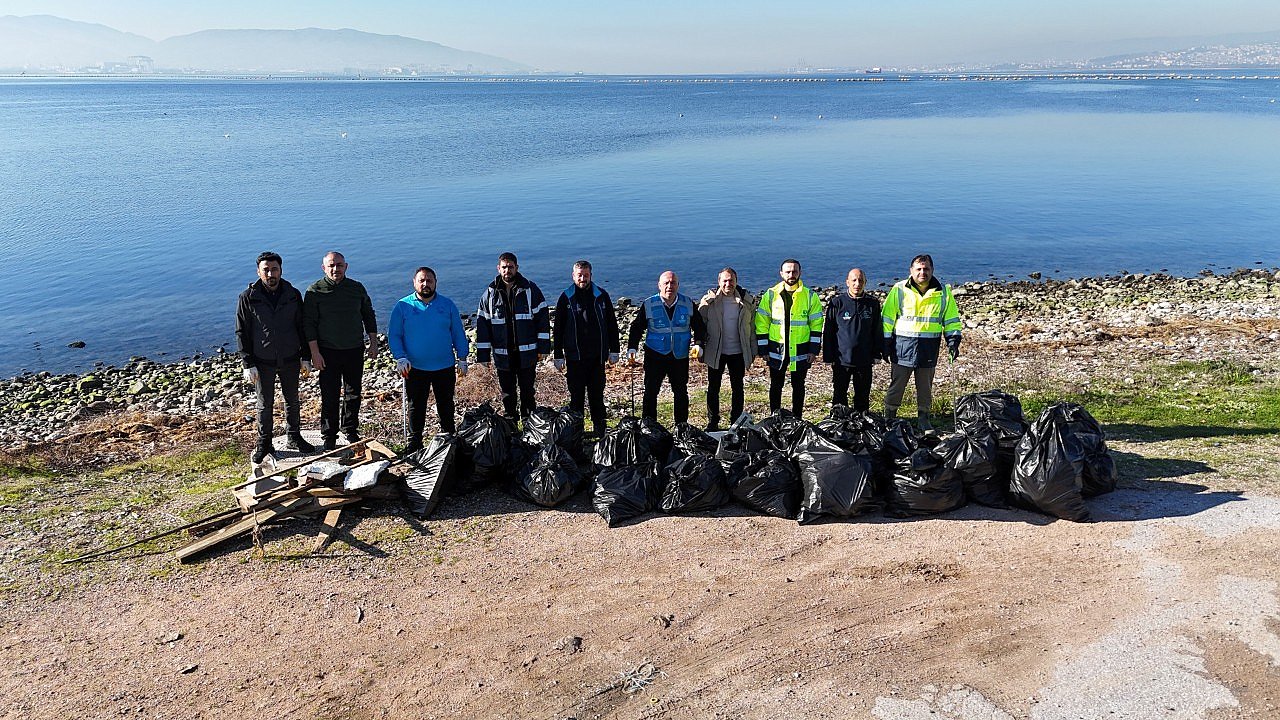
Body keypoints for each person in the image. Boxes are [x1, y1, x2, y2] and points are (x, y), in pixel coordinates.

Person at [235, 251, 314, 463]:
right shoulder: (248, 297)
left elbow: (301, 326)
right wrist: (247, 363)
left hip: (290, 358)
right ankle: (264, 443)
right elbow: (241, 332)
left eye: (274, 269)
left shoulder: (292, 294)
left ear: (281, 270)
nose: (270, 274)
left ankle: (294, 437)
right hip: (262, 362)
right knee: (265, 404)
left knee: (292, 401)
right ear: (258, 272)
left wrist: (305, 356)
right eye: (266, 270)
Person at [388, 267, 470, 453]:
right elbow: (394, 335)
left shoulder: (447, 305)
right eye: (422, 280)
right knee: (416, 405)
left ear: (435, 282)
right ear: (414, 282)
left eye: (429, 281)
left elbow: (458, 333)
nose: (425, 284)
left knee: (446, 404)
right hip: (414, 367)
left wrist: (462, 357)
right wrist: (400, 357)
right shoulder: (403, 306)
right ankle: (414, 442)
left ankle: (448, 437)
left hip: (444, 366)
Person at [303, 251, 379, 451]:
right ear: (324, 268)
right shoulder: (314, 291)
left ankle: (350, 429)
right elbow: (308, 324)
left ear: (346, 266)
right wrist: (314, 353)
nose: (335, 269)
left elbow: (368, 315)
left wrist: (373, 342)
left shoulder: (356, 288)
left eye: (339, 265)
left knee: (353, 392)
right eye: (331, 265)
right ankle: (329, 434)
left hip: (354, 348)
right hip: (327, 351)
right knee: (330, 394)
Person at [881, 253, 962, 431]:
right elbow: (887, 318)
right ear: (911, 270)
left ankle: (924, 418)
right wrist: (885, 342)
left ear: (932, 270)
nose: (922, 272)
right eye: (918, 269)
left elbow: (951, 320)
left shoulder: (944, 292)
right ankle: (889, 416)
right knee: (897, 384)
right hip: (902, 347)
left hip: (928, 348)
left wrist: (953, 341)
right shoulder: (899, 289)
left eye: (926, 269)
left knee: (925, 387)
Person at [474, 252, 551, 420]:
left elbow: (543, 319)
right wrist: (483, 355)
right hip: (503, 355)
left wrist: (544, 347)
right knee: (507, 393)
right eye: (504, 267)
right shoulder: (490, 294)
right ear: (498, 268)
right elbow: (483, 326)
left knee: (527, 391)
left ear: (517, 268)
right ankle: (511, 423)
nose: (507, 270)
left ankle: (529, 422)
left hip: (527, 353)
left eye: (510, 267)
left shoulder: (530, 290)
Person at [627, 270, 707, 426]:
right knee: (651, 392)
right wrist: (632, 348)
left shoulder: (687, 303)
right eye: (666, 283)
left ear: (678, 285)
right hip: (655, 356)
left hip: (679, 356)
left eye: (673, 283)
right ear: (659, 285)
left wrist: (699, 343)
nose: (670, 286)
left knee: (680, 392)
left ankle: (681, 426)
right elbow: (637, 327)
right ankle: (649, 426)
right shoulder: (649, 304)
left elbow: (699, 326)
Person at [552, 260, 620, 437]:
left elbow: (612, 324)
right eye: (579, 275)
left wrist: (615, 349)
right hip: (575, 357)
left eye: (586, 275)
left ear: (591, 275)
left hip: (597, 357)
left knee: (597, 396)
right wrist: (558, 355)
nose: (582, 279)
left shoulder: (601, 295)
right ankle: (577, 433)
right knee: (576, 398)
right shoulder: (566, 297)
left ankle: (600, 430)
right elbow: (558, 329)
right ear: (573, 276)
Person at [755, 258, 824, 416]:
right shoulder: (771, 295)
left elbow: (816, 324)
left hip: (801, 349)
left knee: (798, 385)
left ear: (800, 273)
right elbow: (762, 322)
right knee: (776, 385)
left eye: (794, 271)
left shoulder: (810, 296)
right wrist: (763, 349)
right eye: (788, 272)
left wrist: (813, 350)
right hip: (776, 349)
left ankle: (797, 418)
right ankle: (775, 417)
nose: (791, 275)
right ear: (781, 273)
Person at [697, 267, 757, 430]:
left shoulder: (746, 301)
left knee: (737, 387)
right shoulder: (709, 301)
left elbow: (752, 327)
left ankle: (735, 421)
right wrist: (700, 347)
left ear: (736, 281)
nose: (728, 284)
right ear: (719, 282)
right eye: (725, 280)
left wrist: (753, 350)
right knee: (713, 388)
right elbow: (699, 326)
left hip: (738, 351)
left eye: (731, 280)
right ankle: (713, 422)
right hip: (716, 352)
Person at [822, 267, 883, 412]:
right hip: (841, 360)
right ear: (847, 282)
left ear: (865, 282)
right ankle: (839, 421)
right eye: (854, 280)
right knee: (839, 395)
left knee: (862, 396)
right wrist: (828, 356)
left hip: (864, 359)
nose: (857, 284)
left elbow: (877, 330)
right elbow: (829, 331)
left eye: (861, 280)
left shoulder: (872, 303)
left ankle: (861, 421)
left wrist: (877, 354)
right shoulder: (837, 303)